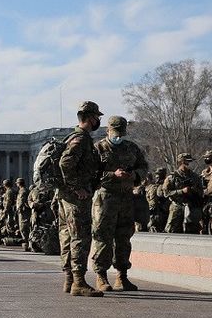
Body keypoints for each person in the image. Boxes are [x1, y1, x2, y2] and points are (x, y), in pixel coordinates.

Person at [90, 116, 148, 292]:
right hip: (105, 200)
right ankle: (101, 276)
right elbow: (91, 174)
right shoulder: (98, 148)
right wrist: (112, 175)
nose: (118, 137)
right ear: (108, 131)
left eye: (121, 133)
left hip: (126, 199)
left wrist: (134, 175)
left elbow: (144, 168)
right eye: (115, 133)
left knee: (124, 238)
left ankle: (122, 276)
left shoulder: (131, 148)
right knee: (103, 238)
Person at [57, 101, 105, 297]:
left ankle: (69, 280)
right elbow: (66, 163)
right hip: (75, 198)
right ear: (90, 117)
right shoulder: (81, 138)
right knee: (80, 237)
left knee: (67, 236)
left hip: (66, 196)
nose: (98, 121)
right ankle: (79, 282)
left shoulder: (72, 136)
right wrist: (77, 188)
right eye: (97, 117)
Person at [164, 154, 204, 234]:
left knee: (192, 231)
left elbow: (201, 192)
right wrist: (181, 191)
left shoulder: (195, 177)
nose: (190, 163)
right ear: (181, 162)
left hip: (191, 207)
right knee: (173, 231)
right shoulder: (172, 177)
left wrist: (195, 190)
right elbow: (166, 193)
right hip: (177, 207)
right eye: (188, 161)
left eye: (191, 161)